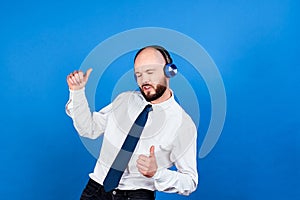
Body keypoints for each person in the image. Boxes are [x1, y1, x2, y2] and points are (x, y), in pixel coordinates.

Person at [66, 45, 198, 200]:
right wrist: (77, 92)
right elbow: (89, 129)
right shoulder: (125, 100)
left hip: (137, 195)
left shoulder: (182, 123)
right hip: (96, 190)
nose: (144, 80)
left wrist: (157, 173)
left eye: (150, 72)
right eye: (139, 74)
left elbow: (190, 182)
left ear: (169, 71)